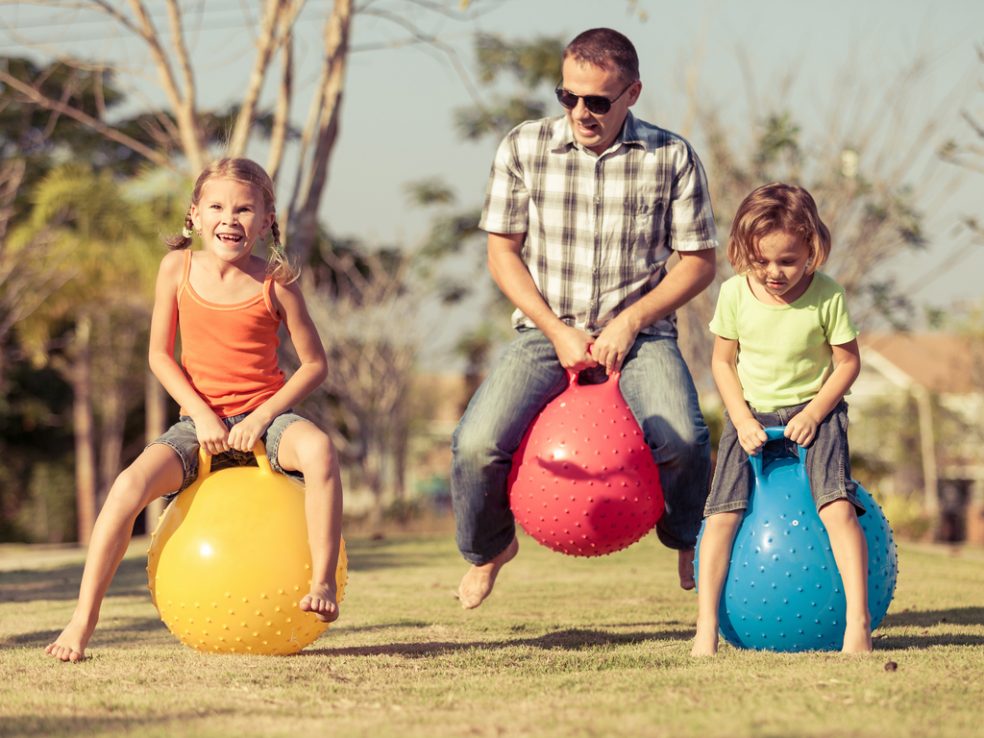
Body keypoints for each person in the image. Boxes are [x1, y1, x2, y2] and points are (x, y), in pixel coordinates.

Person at [452, 27, 718, 609]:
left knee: (686, 440)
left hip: (642, 336)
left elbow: (698, 264)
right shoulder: (523, 146)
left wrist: (630, 322)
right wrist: (555, 329)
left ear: (633, 93)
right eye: (567, 96)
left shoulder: (672, 157)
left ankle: (685, 538)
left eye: (597, 100)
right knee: (475, 445)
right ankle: (490, 548)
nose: (580, 111)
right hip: (547, 332)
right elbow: (502, 252)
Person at [45, 158, 344, 662]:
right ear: (195, 216)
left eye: (245, 209)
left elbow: (314, 365)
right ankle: (82, 620)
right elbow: (159, 356)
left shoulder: (277, 281)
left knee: (319, 451)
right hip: (196, 422)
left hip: (263, 421)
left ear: (268, 218)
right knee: (126, 488)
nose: (231, 218)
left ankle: (321, 585)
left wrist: (260, 418)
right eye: (218, 207)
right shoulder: (176, 269)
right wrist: (201, 415)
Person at [691, 182, 870, 656]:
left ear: (811, 248)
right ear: (743, 252)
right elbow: (722, 363)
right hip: (750, 416)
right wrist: (741, 418)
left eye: (787, 261)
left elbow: (848, 363)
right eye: (761, 261)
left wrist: (815, 413)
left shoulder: (827, 295)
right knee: (722, 516)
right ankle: (705, 627)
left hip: (816, 413)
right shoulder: (733, 294)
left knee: (837, 508)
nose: (774, 272)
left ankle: (857, 623)